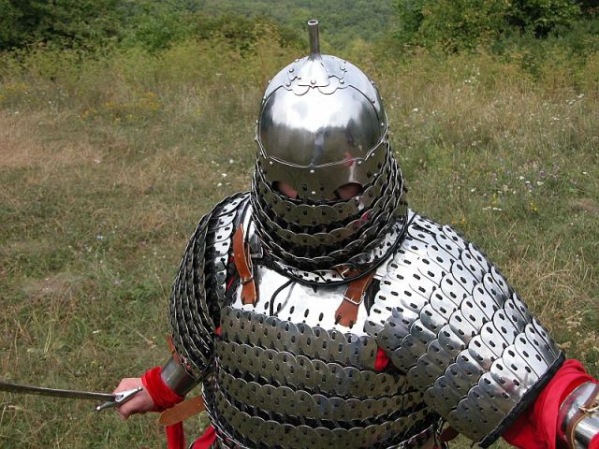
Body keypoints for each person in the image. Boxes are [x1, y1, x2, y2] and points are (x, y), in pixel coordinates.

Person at [114, 20, 599, 449]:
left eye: (341, 186)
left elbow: (542, 397)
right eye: (294, 187)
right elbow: (198, 345)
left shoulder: (423, 269)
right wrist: (160, 386)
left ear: (373, 166)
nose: (316, 203)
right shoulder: (227, 235)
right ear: (268, 169)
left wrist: (583, 424)